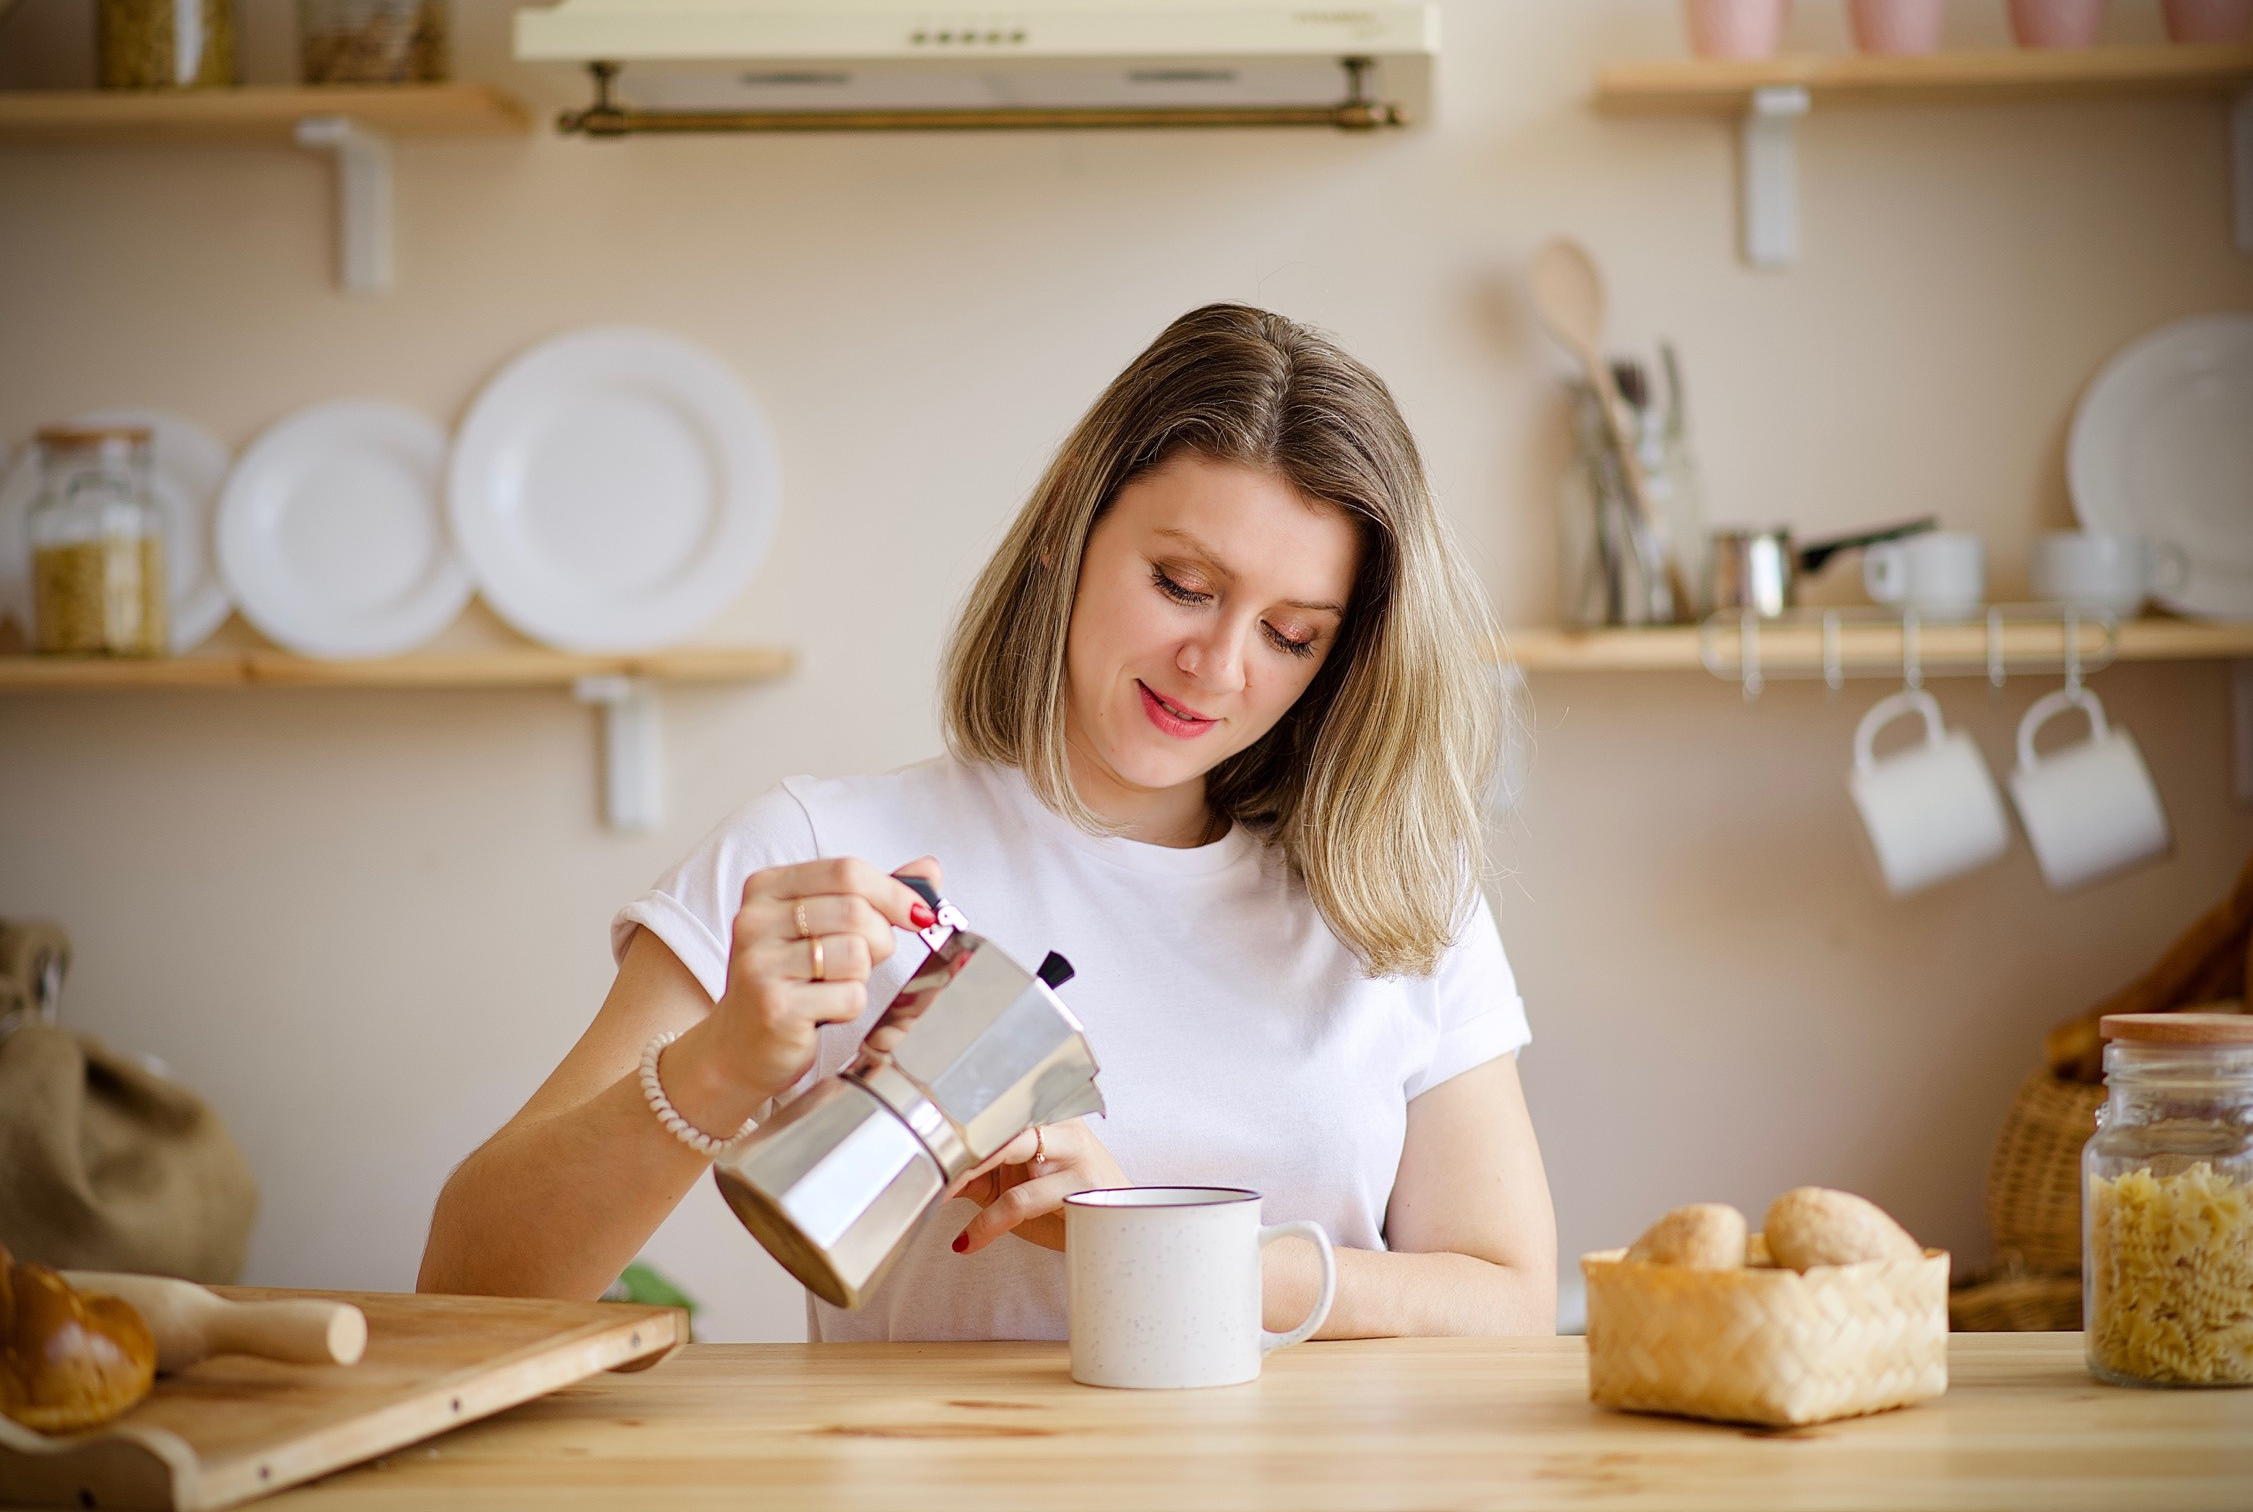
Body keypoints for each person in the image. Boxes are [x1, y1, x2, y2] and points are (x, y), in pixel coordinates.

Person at [418, 304, 1557, 1341]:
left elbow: (1506, 1298)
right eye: (1180, 582)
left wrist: (1166, 1246)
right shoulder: (817, 852)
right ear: (1070, 522)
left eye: (1291, 634)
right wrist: (721, 1064)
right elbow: (468, 1286)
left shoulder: (1393, 895)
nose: (1216, 666)